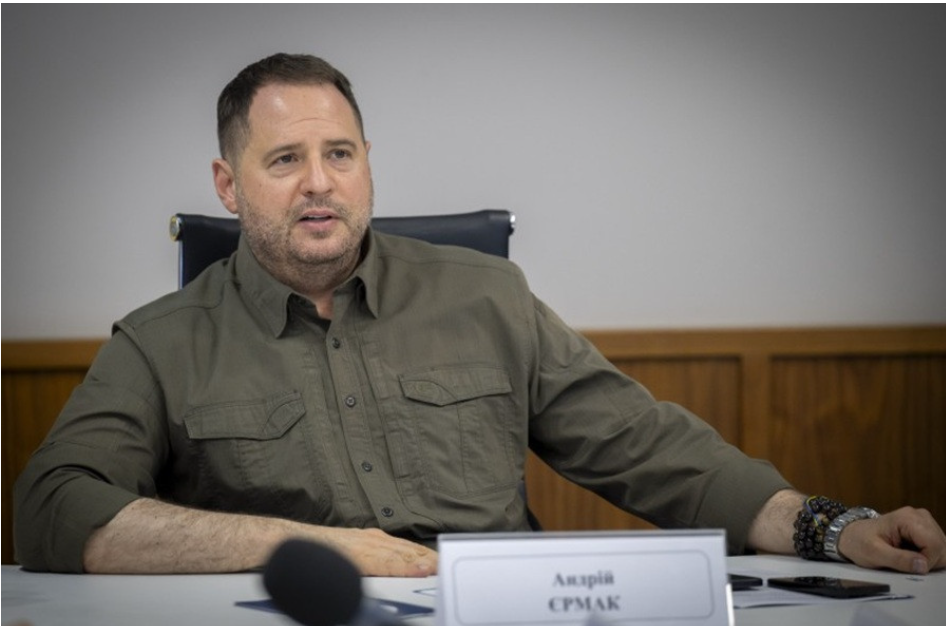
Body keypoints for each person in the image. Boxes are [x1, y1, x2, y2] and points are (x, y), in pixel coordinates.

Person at [14, 53, 945, 577]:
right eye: (285, 159)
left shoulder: (486, 296)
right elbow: (53, 509)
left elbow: (653, 450)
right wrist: (309, 549)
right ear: (228, 184)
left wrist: (834, 527)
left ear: (368, 162)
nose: (320, 183)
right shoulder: (160, 341)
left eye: (340, 153)